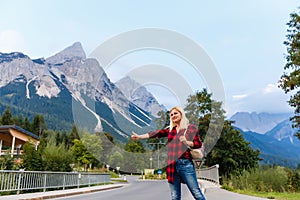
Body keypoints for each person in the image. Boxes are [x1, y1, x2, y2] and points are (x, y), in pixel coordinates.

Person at [132, 106, 206, 200]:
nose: (173, 116)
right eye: (171, 115)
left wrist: (187, 142)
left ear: (181, 114)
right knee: (175, 196)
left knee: (196, 193)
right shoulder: (171, 129)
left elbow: (198, 143)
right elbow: (156, 133)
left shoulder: (191, 127)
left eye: (175, 113)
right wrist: (140, 137)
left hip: (185, 164)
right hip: (171, 166)